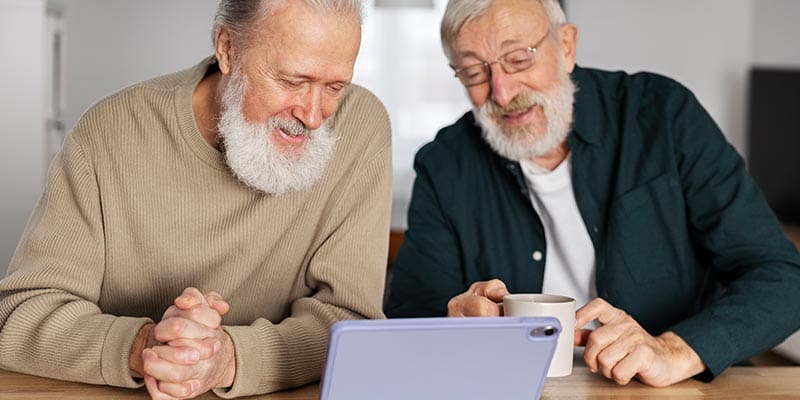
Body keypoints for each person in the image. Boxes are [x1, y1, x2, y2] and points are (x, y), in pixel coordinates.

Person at [386, 0, 800, 388]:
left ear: (565, 46)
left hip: (675, 390)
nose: (503, 92)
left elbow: (782, 278)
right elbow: (408, 315)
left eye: (518, 59)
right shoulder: (444, 164)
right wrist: (452, 319)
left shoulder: (663, 116)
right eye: (475, 72)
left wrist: (676, 349)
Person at [0, 1, 391, 399]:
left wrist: (228, 359)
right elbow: (19, 316)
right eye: (292, 81)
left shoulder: (360, 128)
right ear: (227, 48)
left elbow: (351, 322)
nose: (312, 114)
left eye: (335, 87)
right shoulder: (109, 133)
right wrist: (146, 346)